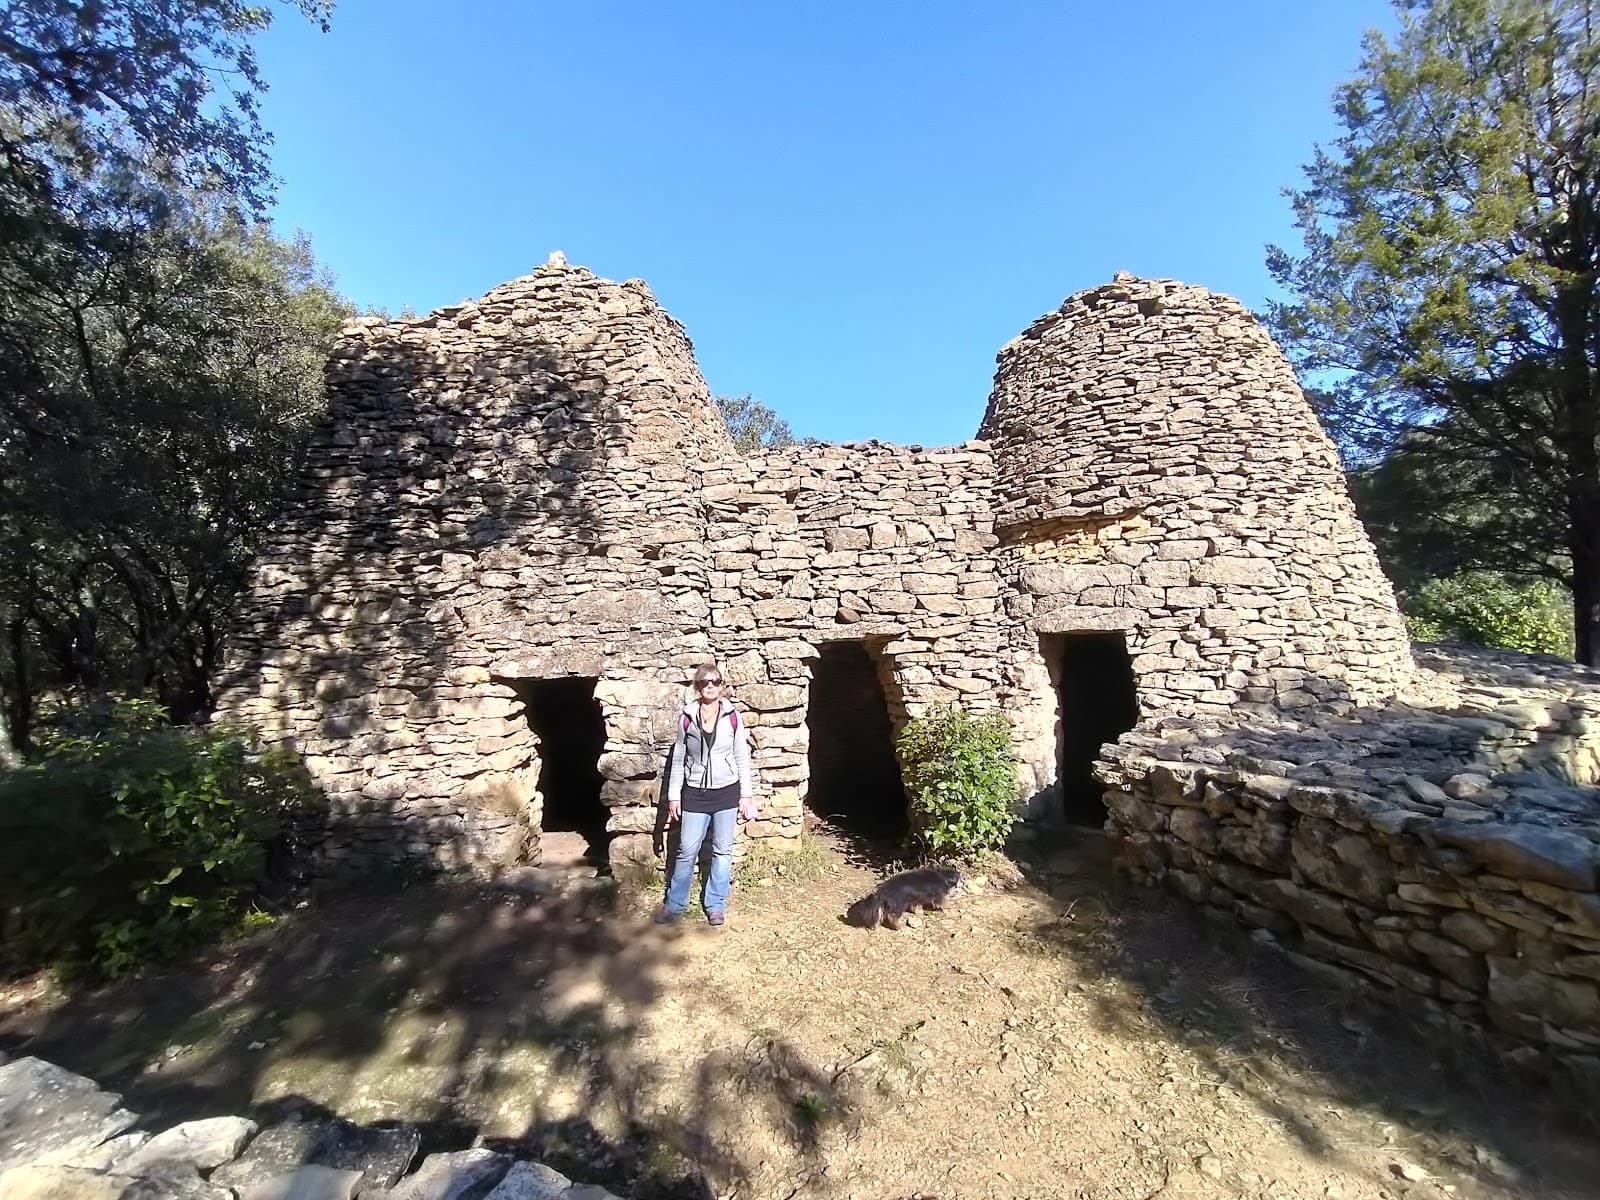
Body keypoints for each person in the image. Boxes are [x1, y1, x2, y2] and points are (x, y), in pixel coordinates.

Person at [655, 663, 758, 927]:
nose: (709, 686)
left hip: (726, 792)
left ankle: (715, 904)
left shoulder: (733, 716)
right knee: (687, 850)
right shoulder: (687, 716)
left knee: (723, 851)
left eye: (714, 681)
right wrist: (674, 796)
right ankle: (675, 904)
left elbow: (741, 757)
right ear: (697, 687)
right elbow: (678, 758)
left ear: (722, 685)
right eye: (703, 682)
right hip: (695, 794)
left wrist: (746, 794)